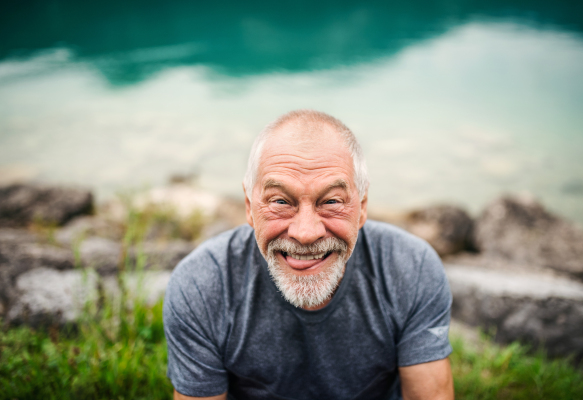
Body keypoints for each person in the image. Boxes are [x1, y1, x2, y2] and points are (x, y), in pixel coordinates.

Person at [163, 110, 454, 400]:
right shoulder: (201, 286)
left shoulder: (411, 268)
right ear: (249, 207)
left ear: (362, 207)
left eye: (330, 201)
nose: (305, 233)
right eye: (280, 201)